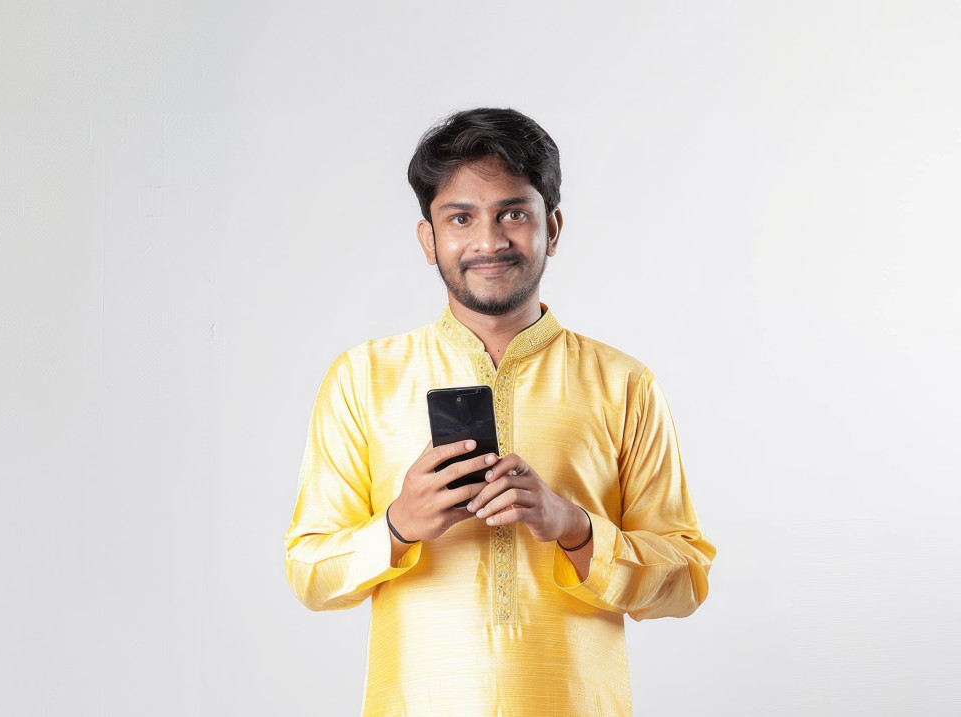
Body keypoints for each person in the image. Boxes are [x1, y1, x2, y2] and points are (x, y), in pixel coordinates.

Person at [283, 107, 716, 717]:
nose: (489, 241)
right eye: (460, 218)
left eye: (513, 213)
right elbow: (309, 572)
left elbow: (686, 581)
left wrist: (576, 529)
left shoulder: (623, 383)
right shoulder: (363, 378)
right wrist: (398, 525)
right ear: (428, 239)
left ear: (553, 228)